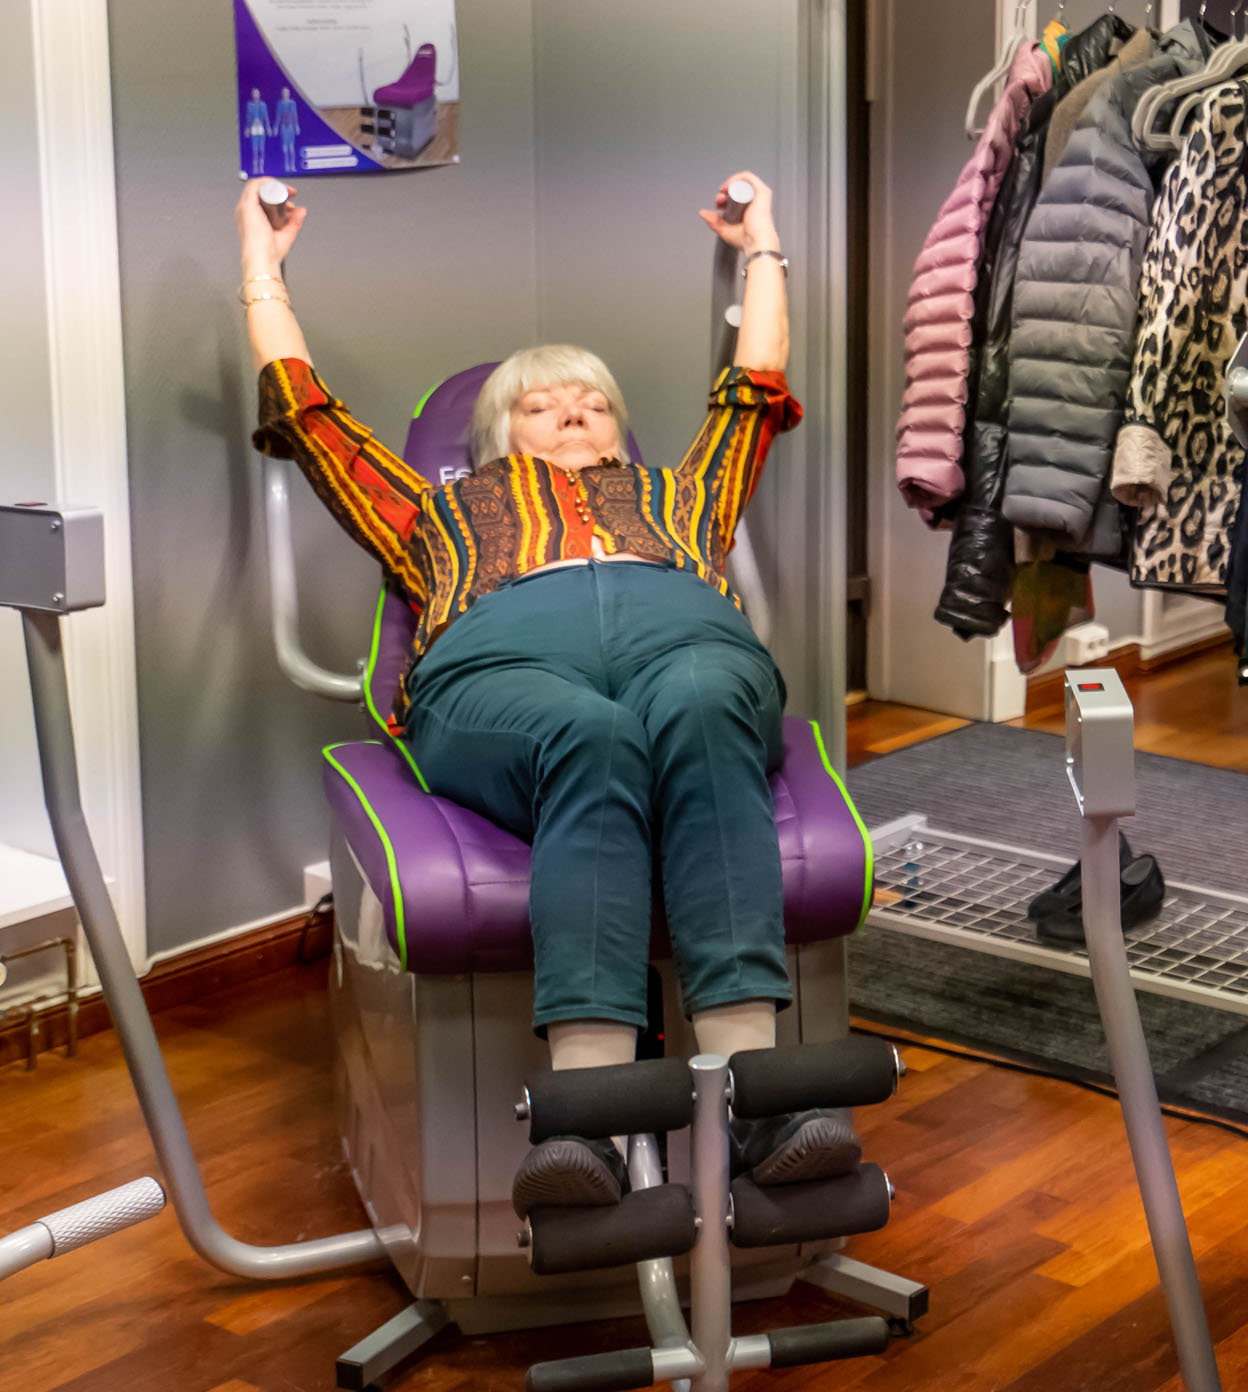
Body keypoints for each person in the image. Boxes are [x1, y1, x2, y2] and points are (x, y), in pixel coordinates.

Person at [236, 172, 855, 1216]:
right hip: (500, 670)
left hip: (687, 641)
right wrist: (262, 263)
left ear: (618, 427)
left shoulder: (683, 492)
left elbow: (755, 381)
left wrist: (762, 245)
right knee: (589, 734)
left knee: (706, 701)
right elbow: (309, 415)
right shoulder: (433, 512)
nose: (573, 410)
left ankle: (765, 1102)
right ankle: (587, 1122)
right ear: (496, 436)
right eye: (542, 403)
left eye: (594, 400)